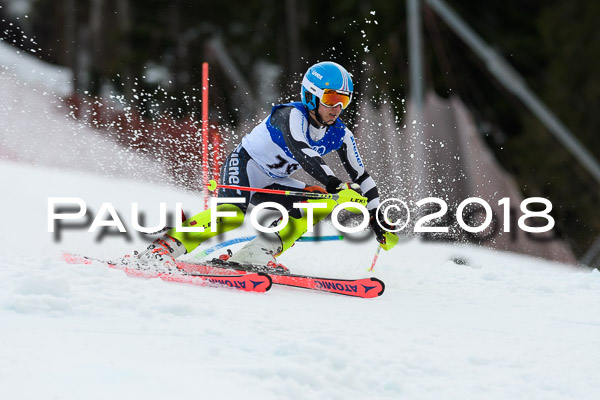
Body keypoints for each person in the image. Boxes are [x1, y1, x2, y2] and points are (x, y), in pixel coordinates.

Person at [134, 61, 397, 270]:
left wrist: (377, 219)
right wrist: (337, 185)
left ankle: (255, 253)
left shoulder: (341, 134)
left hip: (274, 181)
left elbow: (363, 177)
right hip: (246, 165)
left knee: (320, 202)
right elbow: (302, 152)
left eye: (344, 100)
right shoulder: (290, 115)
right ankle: (164, 248)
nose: (337, 107)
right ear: (311, 95)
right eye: (330, 99)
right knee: (231, 214)